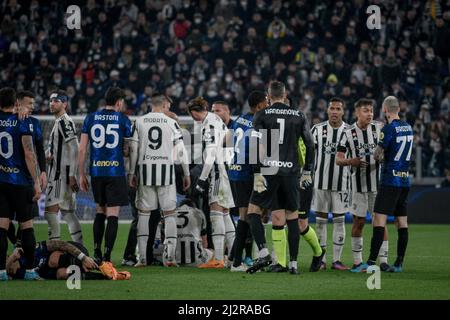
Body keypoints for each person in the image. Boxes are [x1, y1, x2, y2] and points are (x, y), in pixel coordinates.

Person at [246, 81, 314, 274]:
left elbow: (256, 145)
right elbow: (310, 144)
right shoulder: (299, 115)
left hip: (269, 171)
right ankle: (293, 264)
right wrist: (307, 170)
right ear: (285, 95)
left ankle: (264, 252)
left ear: (268, 96)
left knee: (253, 212)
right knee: (292, 217)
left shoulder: (262, 114)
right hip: (291, 172)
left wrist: (257, 172)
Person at [128, 93, 191, 267]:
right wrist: (186, 173)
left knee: (143, 214)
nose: (169, 110)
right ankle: (169, 258)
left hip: (146, 172)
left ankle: (141, 258)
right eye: (168, 107)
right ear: (163, 105)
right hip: (166, 174)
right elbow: (181, 151)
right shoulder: (171, 123)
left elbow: (133, 148)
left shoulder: (139, 122)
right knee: (169, 214)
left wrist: (131, 173)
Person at [78, 87, 132, 262]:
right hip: (115, 172)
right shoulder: (124, 120)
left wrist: (81, 174)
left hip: (96, 172)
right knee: (113, 214)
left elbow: (82, 149)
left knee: (99, 211)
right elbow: (127, 150)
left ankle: (96, 252)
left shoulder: (91, 118)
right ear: (118, 102)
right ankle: (108, 256)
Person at [336, 98, 390, 272]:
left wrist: (383, 157)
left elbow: (389, 150)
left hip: (378, 186)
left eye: (371, 110)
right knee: (359, 222)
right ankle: (358, 262)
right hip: (357, 186)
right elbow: (338, 159)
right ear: (357, 112)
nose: (370, 114)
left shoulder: (380, 128)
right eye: (366, 110)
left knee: (380, 222)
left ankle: (383, 260)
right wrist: (352, 161)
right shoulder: (347, 132)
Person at [362, 96, 414, 273]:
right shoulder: (408, 127)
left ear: (385, 110)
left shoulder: (388, 129)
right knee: (402, 222)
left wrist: (380, 155)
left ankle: (369, 262)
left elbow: (377, 155)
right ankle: (399, 263)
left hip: (390, 180)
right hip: (405, 180)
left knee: (378, 219)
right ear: (398, 109)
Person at [188, 96, 236, 268]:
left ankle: (218, 258)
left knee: (216, 214)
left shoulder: (208, 124)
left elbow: (211, 153)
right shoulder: (215, 119)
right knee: (225, 214)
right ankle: (233, 257)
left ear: (194, 112)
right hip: (222, 170)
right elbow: (229, 136)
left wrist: (201, 179)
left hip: (215, 171)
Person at [0, 87, 41, 281]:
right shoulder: (22, 121)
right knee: (27, 226)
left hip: (1, 182)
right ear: (16, 103)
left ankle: (1, 272)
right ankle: (31, 271)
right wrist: (36, 182)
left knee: (2, 226)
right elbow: (29, 153)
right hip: (21, 182)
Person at [227, 91, 267, 272]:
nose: (268, 105)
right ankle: (236, 263)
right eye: (266, 102)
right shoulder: (258, 123)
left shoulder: (239, 119)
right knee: (247, 217)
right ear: (259, 106)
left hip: (234, 172)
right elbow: (255, 152)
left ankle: (232, 259)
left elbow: (228, 142)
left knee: (246, 216)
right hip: (247, 173)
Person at [310, 97, 351, 270]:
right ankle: (322, 260)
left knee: (339, 221)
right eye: (332, 108)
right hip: (320, 182)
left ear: (343, 112)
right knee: (320, 221)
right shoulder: (317, 130)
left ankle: (336, 260)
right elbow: (309, 154)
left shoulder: (350, 131)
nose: (334, 111)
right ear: (327, 110)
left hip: (342, 183)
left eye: (338, 109)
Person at [8, 90, 47, 246]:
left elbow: (40, 149)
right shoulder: (8, 119)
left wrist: (43, 171)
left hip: (26, 178)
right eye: (29, 103)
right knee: (6, 219)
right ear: (18, 103)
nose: (32, 106)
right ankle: (18, 248)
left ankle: (18, 247)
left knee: (26, 219)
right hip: (10, 178)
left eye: (33, 103)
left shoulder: (34, 123)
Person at [44, 90, 83, 244]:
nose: (52, 103)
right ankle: (81, 249)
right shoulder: (59, 121)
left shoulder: (64, 121)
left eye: (56, 100)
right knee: (67, 212)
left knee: (50, 212)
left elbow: (75, 147)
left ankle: (54, 248)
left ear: (65, 104)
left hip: (60, 176)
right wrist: (50, 154)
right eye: (50, 100)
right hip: (61, 174)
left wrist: (73, 174)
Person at [173, 198, 214, 266]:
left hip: (171, 262)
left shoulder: (171, 213)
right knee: (213, 252)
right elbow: (204, 241)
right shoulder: (198, 213)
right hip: (195, 261)